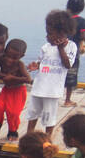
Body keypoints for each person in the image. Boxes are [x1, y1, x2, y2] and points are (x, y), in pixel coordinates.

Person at [23, 9, 77, 142]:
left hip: (52, 91)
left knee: (49, 116)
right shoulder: (46, 47)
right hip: (39, 87)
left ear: (61, 33)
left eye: (50, 33)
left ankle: (47, 139)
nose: (47, 36)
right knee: (33, 113)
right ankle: (29, 136)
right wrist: (35, 66)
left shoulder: (71, 47)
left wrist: (60, 49)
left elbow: (67, 64)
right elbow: (41, 62)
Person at [0, 38, 30, 139]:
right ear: (5, 52)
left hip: (18, 91)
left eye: (14, 58)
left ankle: (12, 132)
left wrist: (13, 78)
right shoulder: (1, 59)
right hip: (6, 90)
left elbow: (28, 79)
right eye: (8, 56)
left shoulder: (20, 65)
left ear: (21, 56)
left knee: (13, 112)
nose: (10, 60)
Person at [63, 0, 85, 107]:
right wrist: (84, 42)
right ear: (81, 9)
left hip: (60, 49)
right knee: (71, 76)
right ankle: (67, 99)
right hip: (73, 53)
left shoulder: (62, 20)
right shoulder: (82, 22)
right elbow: (82, 36)